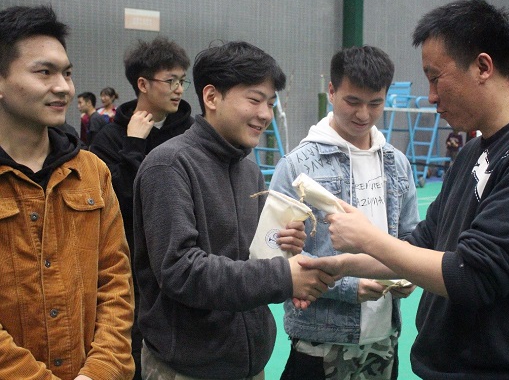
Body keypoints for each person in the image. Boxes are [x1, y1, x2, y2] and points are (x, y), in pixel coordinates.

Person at [300, 0, 509, 379]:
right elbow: (422, 245)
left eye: (436, 78)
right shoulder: (473, 151)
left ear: (483, 67)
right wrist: (340, 266)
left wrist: (368, 238)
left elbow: (474, 277)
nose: (432, 96)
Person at [133, 40, 335, 380]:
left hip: (249, 362)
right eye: (254, 100)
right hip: (187, 367)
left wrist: (283, 245)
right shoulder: (168, 166)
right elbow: (180, 271)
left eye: (270, 103)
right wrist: (282, 276)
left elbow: (250, 259)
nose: (265, 114)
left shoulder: (249, 170)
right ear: (212, 97)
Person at [269, 45, 420, 380]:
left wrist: (409, 275)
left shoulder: (398, 164)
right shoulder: (297, 166)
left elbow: (412, 238)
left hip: (384, 338)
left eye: (375, 103)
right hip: (321, 340)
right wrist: (349, 286)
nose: (363, 114)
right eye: (353, 101)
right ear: (332, 91)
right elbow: (275, 257)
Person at [0, 5, 134, 379]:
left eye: (67, 73)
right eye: (44, 72)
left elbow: (115, 283)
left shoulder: (91, 173)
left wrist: (100, 370)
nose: (64, 87)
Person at [90, 36, 194, 380]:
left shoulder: (192, 134)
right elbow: (118, 205)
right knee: (131, 350)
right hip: (130, 269)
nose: (179, 89)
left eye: (182, 80)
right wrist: (134, 145)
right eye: (170, 80)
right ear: (143, 84)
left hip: (183, 262)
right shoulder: (109, 139)